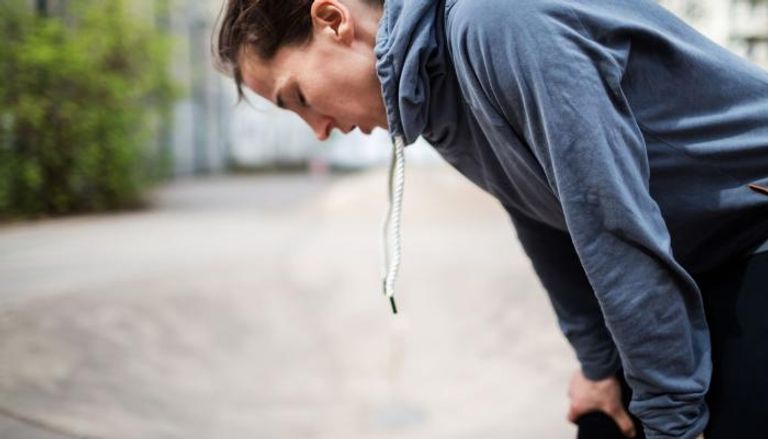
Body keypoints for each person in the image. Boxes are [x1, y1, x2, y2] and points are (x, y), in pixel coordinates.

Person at [213, 0, 768, 438]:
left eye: (299, 97)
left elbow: (611, 224)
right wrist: (598, 367)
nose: (317, 130)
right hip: (697, 253)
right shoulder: (425, 83)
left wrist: (673, 421)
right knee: (607, 420)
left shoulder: (499, 21)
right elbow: (543, 215)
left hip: (752, 224)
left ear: (332, 20)